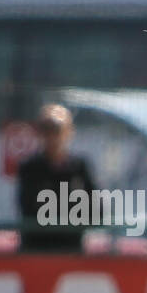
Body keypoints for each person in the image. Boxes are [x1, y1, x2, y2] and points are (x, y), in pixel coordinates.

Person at [16, 104, 95, 254]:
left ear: (69, 132)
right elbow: (30, 209)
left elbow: (95, 209)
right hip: (37, 250)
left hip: (71, 249)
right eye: (46, 129)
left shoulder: (79, 167)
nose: (52, 137)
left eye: (57, 130)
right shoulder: (30, 168)